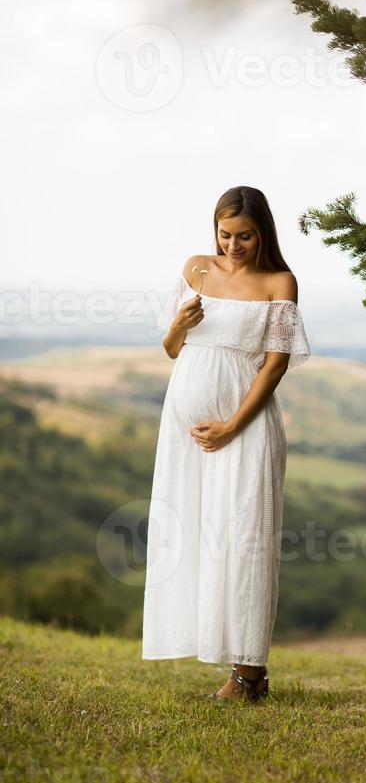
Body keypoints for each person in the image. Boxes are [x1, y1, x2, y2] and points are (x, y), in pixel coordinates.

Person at [141, 186, 311, 703]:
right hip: (185, 432)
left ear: (264, 233)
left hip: (246, 427)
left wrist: (234, 424)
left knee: (244, 541)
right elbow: (173, 351)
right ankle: (225, 659)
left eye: (245, 236)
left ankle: (249, 675)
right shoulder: (195, 269)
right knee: (195, 534)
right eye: (225, 234)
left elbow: (275, 363)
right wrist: (177, 326)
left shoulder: (279, 282)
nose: (233, 246)